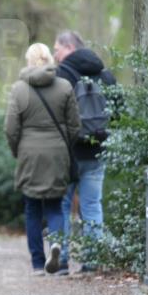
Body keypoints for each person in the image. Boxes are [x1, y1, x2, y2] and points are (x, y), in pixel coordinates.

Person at [5, 43, 80, 275]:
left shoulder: (19, 89)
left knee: (32, 208)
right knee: (56, 205)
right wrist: (66, 147)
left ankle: (38, 263)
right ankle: (57, 247)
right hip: (57, 152)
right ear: (49, 59)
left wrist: (18, 150)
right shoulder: (65, 86)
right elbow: (75, 125)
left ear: (29, 60)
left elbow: (10, 128)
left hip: (29, 152)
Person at [54, 30, 118, 274]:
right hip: (97, 150)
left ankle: (61, 261)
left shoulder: (60, 76)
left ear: (69, 47)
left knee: (62, 205)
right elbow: (119, 111)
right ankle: (92, 261)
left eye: (57, 49)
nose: (55, 54)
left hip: (66, 153)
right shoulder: (106, 75)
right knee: (92, 205)